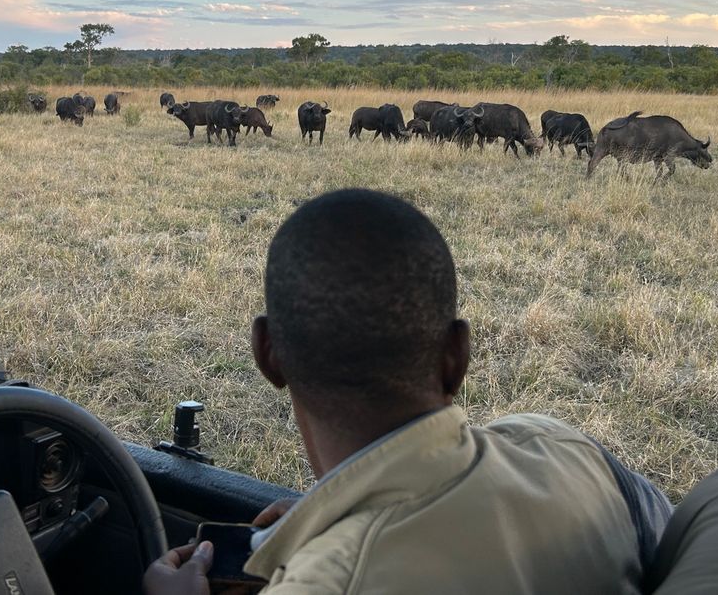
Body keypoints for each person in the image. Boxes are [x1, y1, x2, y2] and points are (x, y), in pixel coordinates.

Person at [145, 188, 671, 595]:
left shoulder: (327, 582)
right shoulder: (562, 446)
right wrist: (329, 516)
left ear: (266, 354)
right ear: (458, 357)